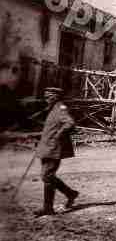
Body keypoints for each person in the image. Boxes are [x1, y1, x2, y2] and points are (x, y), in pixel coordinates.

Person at [34, 87, 79, 216]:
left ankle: (48, 208)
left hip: (54, 148)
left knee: (47, 176)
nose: (46, 98)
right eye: (45, 96)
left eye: (49, 96)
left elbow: (70, 123)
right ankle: (70, 193)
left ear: (56, 96)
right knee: (48, 176)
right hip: (47, 148)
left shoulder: (60, 108)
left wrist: (58, 135)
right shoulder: (52, 109)